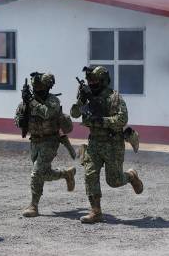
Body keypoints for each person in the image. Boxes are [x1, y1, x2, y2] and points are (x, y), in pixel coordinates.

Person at [71, 65, 143, 223]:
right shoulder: (87, 96)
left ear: (103, 81)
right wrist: (80, 100)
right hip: (94, 142)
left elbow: (122, 120)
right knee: (90, 175)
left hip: (113, 143)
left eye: (95, 81)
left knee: (114, 181)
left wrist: (101, 120)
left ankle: (131, 176)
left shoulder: (115, 98)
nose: (91, 84)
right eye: (89, 81)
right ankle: (96, 211)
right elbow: (74, 114)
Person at [15, 72, 77, 217]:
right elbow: (17, 118)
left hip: (51, 140)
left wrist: (31, 102)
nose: (37, 90)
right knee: (43, 173)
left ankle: (33, 205)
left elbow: (47, 113)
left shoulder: (53, 101)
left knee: (36, 172)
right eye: (35, 87)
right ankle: (66, 174)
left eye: (40, 87)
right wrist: (21, 118)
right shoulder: (27, 103)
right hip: (35, 141)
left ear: (47, 88)